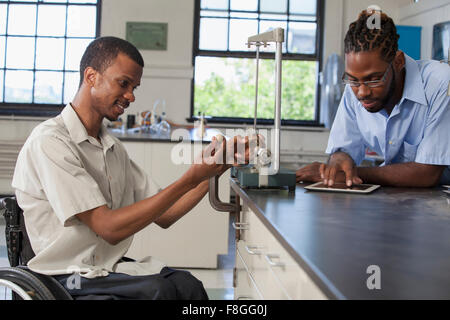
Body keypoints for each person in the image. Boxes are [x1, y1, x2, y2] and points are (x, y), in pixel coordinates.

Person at [12, 36, 250, 300]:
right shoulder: (51, 142)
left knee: (187, 285)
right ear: (91, 76)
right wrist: (190, 177)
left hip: (106, 270)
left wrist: (217, 168)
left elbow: (166, 214)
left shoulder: (111, 147)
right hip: (67, 276)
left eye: (134, 87)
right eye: (123, 84)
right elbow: (109, 229)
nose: (131, 96)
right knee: (159, 292)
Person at [296, 9, 450, 188]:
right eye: (352, 79)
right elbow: (344, 149)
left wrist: (353, 174)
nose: (362, 92)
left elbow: (427, 174)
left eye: (373, 79)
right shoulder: (354, 88)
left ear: (398, 62)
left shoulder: (441, 83)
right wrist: (339, 161)